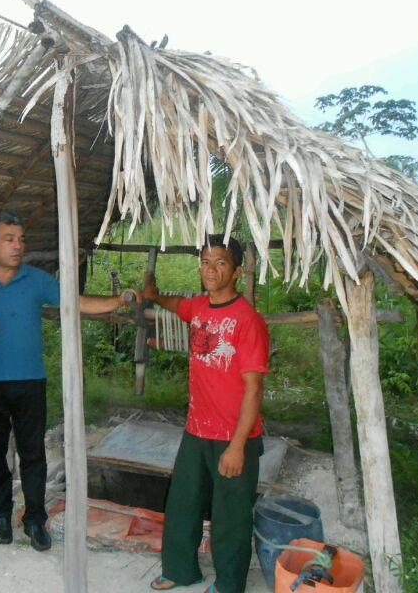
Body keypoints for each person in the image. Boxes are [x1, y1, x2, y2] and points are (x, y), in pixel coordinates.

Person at [0, 209, 138, 552]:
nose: (17, 246)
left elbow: (75, 302)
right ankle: (1, 513)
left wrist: (116, 300)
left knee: (32, 453)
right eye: (9, 239)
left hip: (30, 381)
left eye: (21, 239)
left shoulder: (36, 279)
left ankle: (35, 518)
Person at [144, 234, 269, 593]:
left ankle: (229, 586)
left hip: (233, 436)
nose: (211, 270)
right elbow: (178, 304)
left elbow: (254, 389)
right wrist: (154, 297)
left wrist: (237, 446)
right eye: (205, 262)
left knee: (230, 517)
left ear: (237, 271)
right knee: (183, 503)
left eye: (220, 263)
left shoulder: (248, 321)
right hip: (197, 430)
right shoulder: (199, 308)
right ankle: (181, 570)